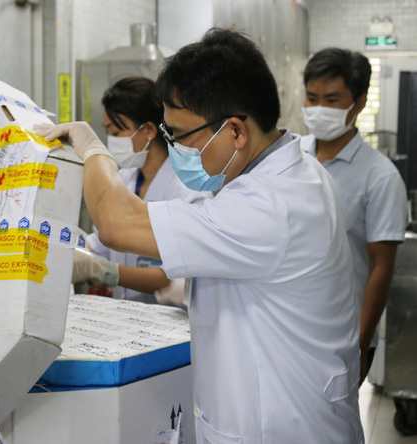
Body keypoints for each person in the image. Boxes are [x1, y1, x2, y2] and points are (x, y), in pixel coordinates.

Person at [37, 28, 363, 443]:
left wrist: (91, 147)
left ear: (236, 131)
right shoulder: (290, 172)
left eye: (180, 136)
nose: (175, 148)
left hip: (282, 426)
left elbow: (116, 224)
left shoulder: (269, 204)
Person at [301, 48, 407, 384]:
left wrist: (359, 345)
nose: (319, 109)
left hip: (341, 336)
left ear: (359, 103)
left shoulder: (380, 177)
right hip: (289, 323)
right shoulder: (291, 157)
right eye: (312, 98)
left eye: (332, 100)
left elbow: (380, 268)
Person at [73, 76, 209, 305]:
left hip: (168, 319)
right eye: (107, 132)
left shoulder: (188, 191)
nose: (111, 141)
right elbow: (103, 243)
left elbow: (177, 277)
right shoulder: (123, 180)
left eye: (116, 133)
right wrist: (67, 248)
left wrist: (103, 271)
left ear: (148, 130)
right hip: (124, 313)